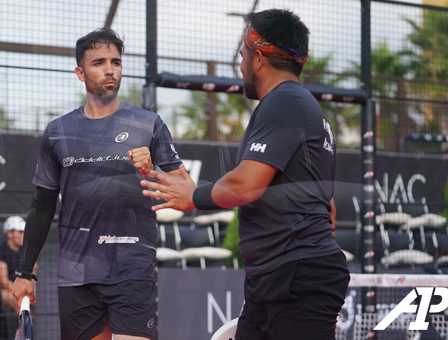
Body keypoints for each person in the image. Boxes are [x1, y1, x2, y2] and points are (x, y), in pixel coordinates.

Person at [140, 9, 350, 340]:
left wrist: (192, 196)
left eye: (242, 55)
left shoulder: (284, 102)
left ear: (259, 57)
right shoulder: (304, 107)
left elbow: (246, 185)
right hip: (281, 279)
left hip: (295, 280)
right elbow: (330, 211)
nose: (240, 65)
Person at [12, 28, 185, 340]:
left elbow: (185, 190)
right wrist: (25, 272)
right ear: (80, 72)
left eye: (116, 62)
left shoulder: (149, 124)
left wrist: (151, 171)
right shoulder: (57, 131)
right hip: (76, 275)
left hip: (132, 268)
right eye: (99, 62)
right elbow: (42, 207)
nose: (110, 69)